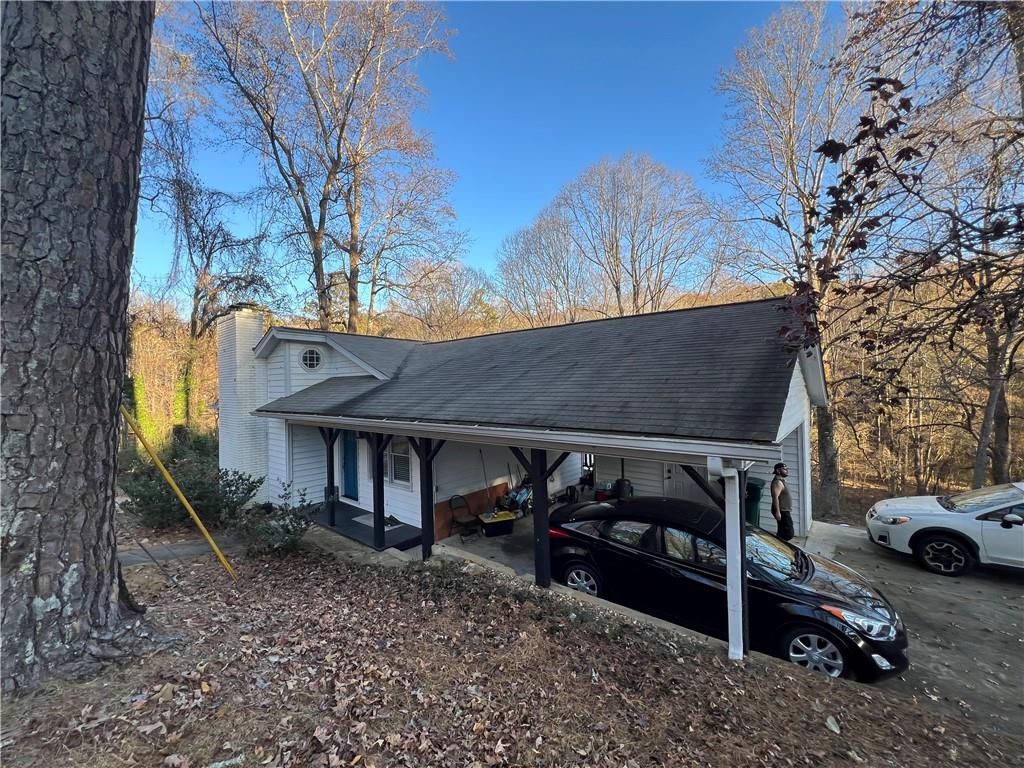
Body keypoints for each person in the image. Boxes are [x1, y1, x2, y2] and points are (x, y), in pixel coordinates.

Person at [771, 462, 794, 541]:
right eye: (784, 469)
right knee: (788, 534)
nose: (786, 471)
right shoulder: (778, 482)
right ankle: (779, 544)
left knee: (783, 532)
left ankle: (779, 545)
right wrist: (777, 512)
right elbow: (775, 498)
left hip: (785, 510)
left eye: (787, 469)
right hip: (782, 511)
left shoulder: (781, 480)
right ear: (778, 471)